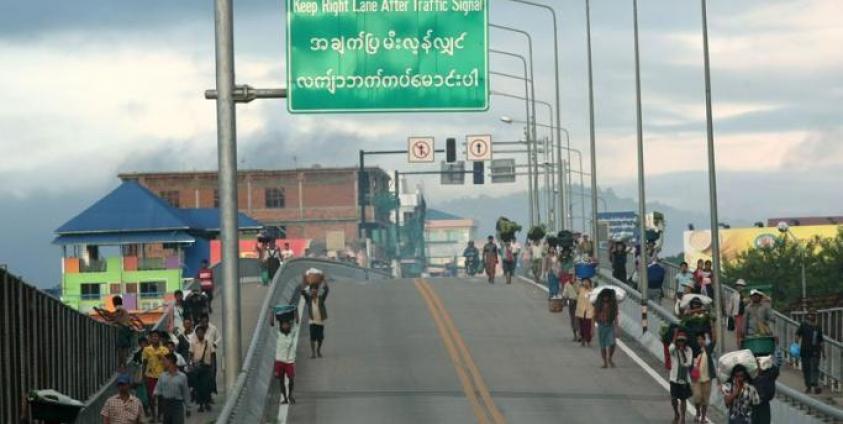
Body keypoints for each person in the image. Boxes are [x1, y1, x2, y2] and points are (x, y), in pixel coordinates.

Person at [155, 353, 190, 424]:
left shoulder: (182, 377)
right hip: (166, 404)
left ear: (170, 361)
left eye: (165, 360)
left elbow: (186, 392)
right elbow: (157, 391)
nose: (163, 363)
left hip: (177, 405)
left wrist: (188, 407)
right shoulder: (162, 376)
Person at [142, 331, 169, 421]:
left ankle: (160, 415)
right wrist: (143, 376)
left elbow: (168, 364)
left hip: (162, 376)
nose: (155, 338)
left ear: (159, 338)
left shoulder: (164, 350)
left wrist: (162, 357)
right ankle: (153, 415)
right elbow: (144, 363)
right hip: (150, 376)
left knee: (161, 397)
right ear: (150, 338)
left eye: (156, 336)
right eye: (153, 336)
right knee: (151, 397)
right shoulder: (146, 349)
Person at [795, 310, 824, 394]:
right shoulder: (803, 325)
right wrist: (796, 344)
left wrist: (823, 352)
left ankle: (815, 385)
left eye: (813, 315)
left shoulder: (818, 327)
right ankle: (808, 386)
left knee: (815, 368)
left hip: (815, 351)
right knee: (806, 369)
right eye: (810, 315)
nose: (812, 316)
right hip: (805, 351)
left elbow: (821, 340)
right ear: (807, 316)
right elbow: (797, 334)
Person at [669, 332, 693, 424]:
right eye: (679, 341)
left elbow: (688, 363)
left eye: (682, 341)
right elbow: (670, 348)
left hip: (684, 378)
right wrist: (675, 336)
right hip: (674, 377)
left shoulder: (688, 350)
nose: (681, 343)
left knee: (683, 399)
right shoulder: (674, 349)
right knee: (673, 398)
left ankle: (683, 417)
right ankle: (676, 413)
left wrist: (682, 352)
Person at [302, 278, 329, 358]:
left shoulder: (321, 298)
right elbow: (303, 292)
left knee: (320, 338)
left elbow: (326, 291)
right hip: (312, 322)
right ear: (310, 291)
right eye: (312, 289)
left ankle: (318, 350)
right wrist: (305, 283)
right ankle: (313, 353)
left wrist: (324, 282)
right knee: (312, 338)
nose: (314, 291)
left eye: (315, 289)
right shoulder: (309, 299)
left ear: (317, 290)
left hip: (320, 321)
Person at [691, 333, 716, 424]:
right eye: (698, 339)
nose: (700, 341)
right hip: (696, 379)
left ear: (704, 340)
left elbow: (714, 340)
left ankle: (703, 417)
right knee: (697, 397)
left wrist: (713, 324)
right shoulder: (694, 350)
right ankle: (698, 412)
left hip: (707, 379)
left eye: (701, 339)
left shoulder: (707, 350)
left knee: (705, 400)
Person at [189, 325, 215, 412]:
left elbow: (212, 355)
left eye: (201, 332)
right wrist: (191, 365)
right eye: (198, 333)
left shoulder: (208, 342)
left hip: (206, 367)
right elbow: (191, 355)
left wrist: (213, 367)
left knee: (207, 387)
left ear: (204, 333)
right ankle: (200, 405)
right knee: (198, 387)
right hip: (197, 368)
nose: (200, 334)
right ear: (196, 334)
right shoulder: (193, 343)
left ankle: (207, 403)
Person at [275, 319, 299, 404]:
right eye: (283, 325)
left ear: (289, 326)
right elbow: (272, 324)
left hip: (289, 360)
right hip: (280, 360)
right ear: (281, 326)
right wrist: (272, 312)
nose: (285, 326)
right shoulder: (278, 334)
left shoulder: (292, 333)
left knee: (291, 378)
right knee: (281, 380)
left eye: (287, 325)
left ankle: (290, 395)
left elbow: (297, 322)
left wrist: (295, 311)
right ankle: (285, 397)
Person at [594, 288, 619, 368]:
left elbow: (615, 316)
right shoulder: (598, 304)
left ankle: (610, 357)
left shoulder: (613, 305)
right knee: (603, 345)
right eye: (604, 296)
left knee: (612, 343)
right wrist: (592, 328)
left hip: (609, 325)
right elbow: (594, 316)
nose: (605, 298)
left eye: (607, 296)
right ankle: (605, 362)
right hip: (601, 326)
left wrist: (616, 327)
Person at [752, 354, 780, 424]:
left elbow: (775, 371)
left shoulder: (768, 375)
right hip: (754, 408)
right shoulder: (751, 376)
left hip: (762, 407)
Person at [727, 279, 747, 347]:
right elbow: (730, 305)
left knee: (744, 330)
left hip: (745, 314)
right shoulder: (734, 295)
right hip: (737, 314)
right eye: (738, 286)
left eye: (741, 286)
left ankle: (744, 343)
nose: (740, 287)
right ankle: (739, 343)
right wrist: (729, 314)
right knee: (739, 330)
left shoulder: (746, 295)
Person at [576, 278, 595, 346]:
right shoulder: (581, 289)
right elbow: (576, 288)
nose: (585, 283)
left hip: (589, 311)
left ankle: (588, 340)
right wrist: (580, 283)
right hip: (581, 310)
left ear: (590, 283)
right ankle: (582, 339)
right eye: (584, 282)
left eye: (587, 282)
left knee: (588, 326)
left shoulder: (592, 291)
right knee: (581, 326)